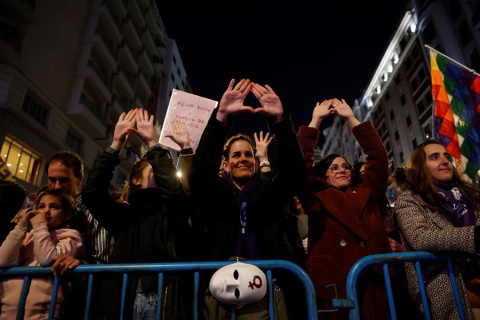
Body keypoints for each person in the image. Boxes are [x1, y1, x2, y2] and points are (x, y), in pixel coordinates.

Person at [188, 78, 306, 319]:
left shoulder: (269, 193)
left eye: (248, 154)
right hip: (220, 297)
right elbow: (199, 175)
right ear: (227, 164)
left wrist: (280, 123)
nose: (243, 158)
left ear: (255, 162)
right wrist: (221, 118)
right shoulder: (216, 194)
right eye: (236, 155)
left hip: (268, 298)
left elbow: (294, 174)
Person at [81, 108, 192, 319]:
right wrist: (115, 145)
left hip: (163, 297)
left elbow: (174, 194)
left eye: (163, 168)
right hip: (121, 299)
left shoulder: (171, 211)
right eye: (154, 168)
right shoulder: (123, 214)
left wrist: (152, 143)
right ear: (135, 179)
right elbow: (91, 192)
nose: (161, 172)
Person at [298, 98, 392, 319]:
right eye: (334, 168)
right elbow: (301, 164)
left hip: (376, 283)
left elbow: (377, 157)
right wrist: (315, 120)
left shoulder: (368, 191)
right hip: (336, 286)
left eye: (345, 167)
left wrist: (351, 118)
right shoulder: (315, 197)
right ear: (324, 175)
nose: (342, 170)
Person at [393, 140, 480, 320]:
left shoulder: (467, 194)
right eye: (434, 157)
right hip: (443, 285)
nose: (444, 160)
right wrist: (474, 237)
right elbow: (420, 237)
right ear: (420, 167)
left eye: (446, 156)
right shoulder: (410, 200)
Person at [0, 188, 84, 319]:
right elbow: (3, 260)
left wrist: (39, 224)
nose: (46, 212)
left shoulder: (71, 237)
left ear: (67, 214)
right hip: (10, 310)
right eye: (41, 206)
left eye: (54, 207)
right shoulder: (30, 235)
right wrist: (21, 225)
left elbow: (46, 259)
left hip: (44, 313)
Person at [43, 150, 111, 273]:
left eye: (64, 180)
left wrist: (80, 264)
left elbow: (101, 260)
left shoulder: (94, 212)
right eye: (52, 180)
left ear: (79, 180)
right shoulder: (37, 211)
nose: (57, 186)